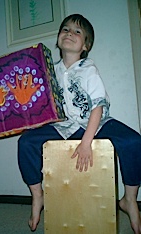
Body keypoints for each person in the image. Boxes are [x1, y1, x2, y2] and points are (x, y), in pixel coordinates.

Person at [18, 14, 141, 233]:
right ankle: (38, 196)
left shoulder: (88, 69)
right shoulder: (48, 71)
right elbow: (40, 104)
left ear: (86, 45)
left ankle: (129, 199)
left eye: (77, 32)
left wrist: (87, 142)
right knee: (26, 142)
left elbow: (97, 107)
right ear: (57, 39)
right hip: (63, 126)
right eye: (65, 29)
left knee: (133, 141)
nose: (69, 33)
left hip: (96, 123)